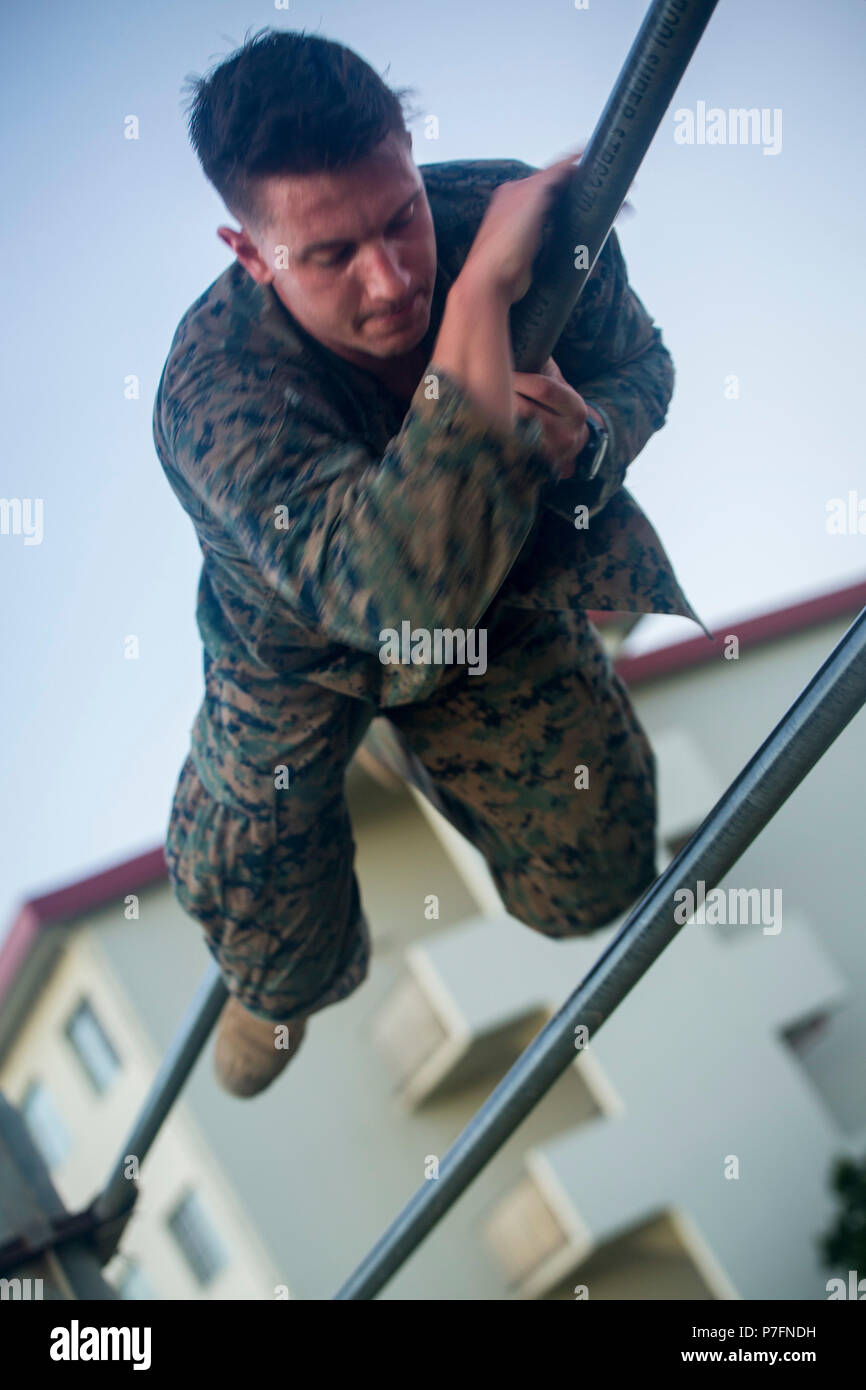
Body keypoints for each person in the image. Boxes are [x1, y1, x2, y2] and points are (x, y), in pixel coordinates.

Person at [153, 28, 711, 1098]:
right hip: (301, 651)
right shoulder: (213, 387)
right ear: (250, 254)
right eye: (330, 256)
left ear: (411, 158)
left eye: (400, 216)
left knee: (594, 879)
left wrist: (592, 436)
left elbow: (640, 364)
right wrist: (478, 301)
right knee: (254, 865)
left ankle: (417, 749)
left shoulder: (514, 219)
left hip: (487, 605)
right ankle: (280, 982)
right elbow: (393, 594)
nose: (392, 277)